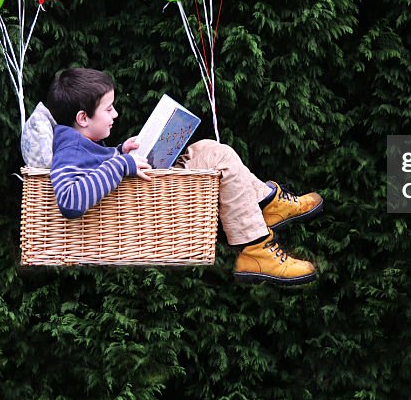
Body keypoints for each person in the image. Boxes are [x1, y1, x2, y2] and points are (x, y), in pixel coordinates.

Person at [33, 67, 324, 285]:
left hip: (147, 192)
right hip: (146, 206)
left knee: (210, 149)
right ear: (83, 118)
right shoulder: (69, 148)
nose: (116, 114)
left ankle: (267, 202)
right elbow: (70, 199)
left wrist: (122, 151)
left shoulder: (80, 143)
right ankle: (256, 242)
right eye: (108, 109)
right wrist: (122, 164)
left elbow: (95, 166)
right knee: (218, 156)